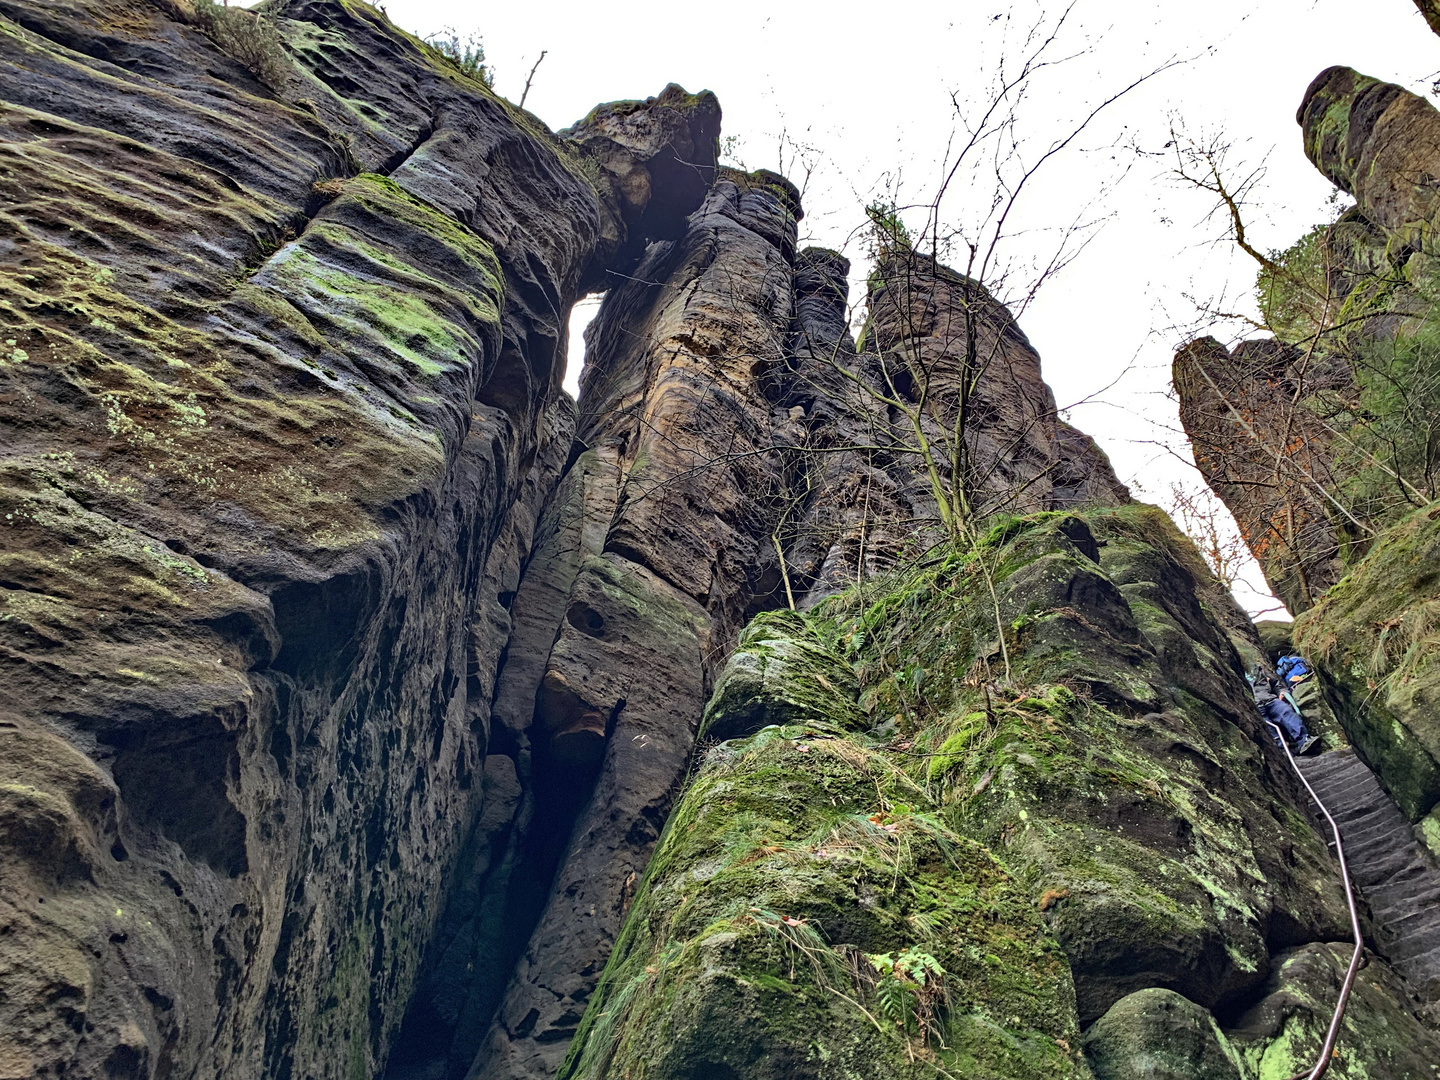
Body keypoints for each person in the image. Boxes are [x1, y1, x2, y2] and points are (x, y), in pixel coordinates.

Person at [1249, 663, 1320, 755]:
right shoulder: (1236, 673)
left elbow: (1277, 684)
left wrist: (1282, 692)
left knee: (1287, 712)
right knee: (1266, 725)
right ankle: (1282, 750)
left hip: (1271, 700)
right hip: (1254, 705)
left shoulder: (1258, 670)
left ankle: (1303, 741)